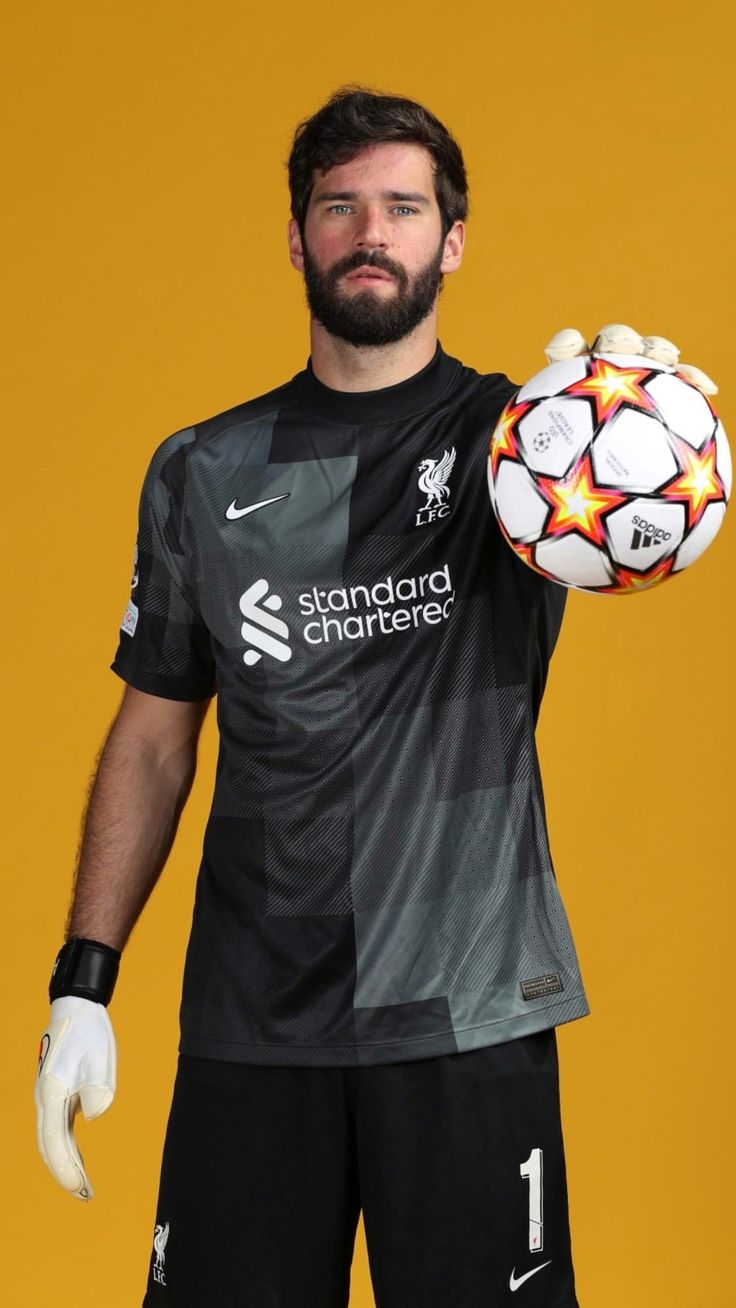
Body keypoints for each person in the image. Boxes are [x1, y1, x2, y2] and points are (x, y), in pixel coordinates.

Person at [35, 85, 717, 1308]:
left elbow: (630, 522)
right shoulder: (202, 468)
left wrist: (640, 409)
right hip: (255, 1018)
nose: (371, 230)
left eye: (404, 207)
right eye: (340, 205)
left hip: (465, 1013)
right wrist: (82, 983)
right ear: (296, 238)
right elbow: (150, 739)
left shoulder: (526, 448)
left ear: (450, 242)